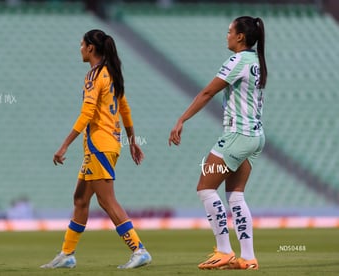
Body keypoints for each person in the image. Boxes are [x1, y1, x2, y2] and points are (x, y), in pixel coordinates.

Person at [40, 29, 151, 269]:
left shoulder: (94, 76)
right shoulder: (112, 73)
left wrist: (64, 145)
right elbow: (125, 109)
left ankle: (139, 249)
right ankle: (67, 254)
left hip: (99, 145)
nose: (80, 49)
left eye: (82, 44)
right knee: (80, 199)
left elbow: (87, 113)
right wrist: (132, 141)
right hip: (109, 144)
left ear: (91, 48)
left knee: (107, 200)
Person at [169, 16, 267, 270]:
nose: (227, 36)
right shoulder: (257, 61)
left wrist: (182, 120)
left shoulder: (238, 60)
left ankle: (224, 250)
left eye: (229, 32)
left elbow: (207, 92)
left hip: (238, 135)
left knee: (205, 187)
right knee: (236, 196)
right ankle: (248, 258)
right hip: (255, 136)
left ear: (240, 37)